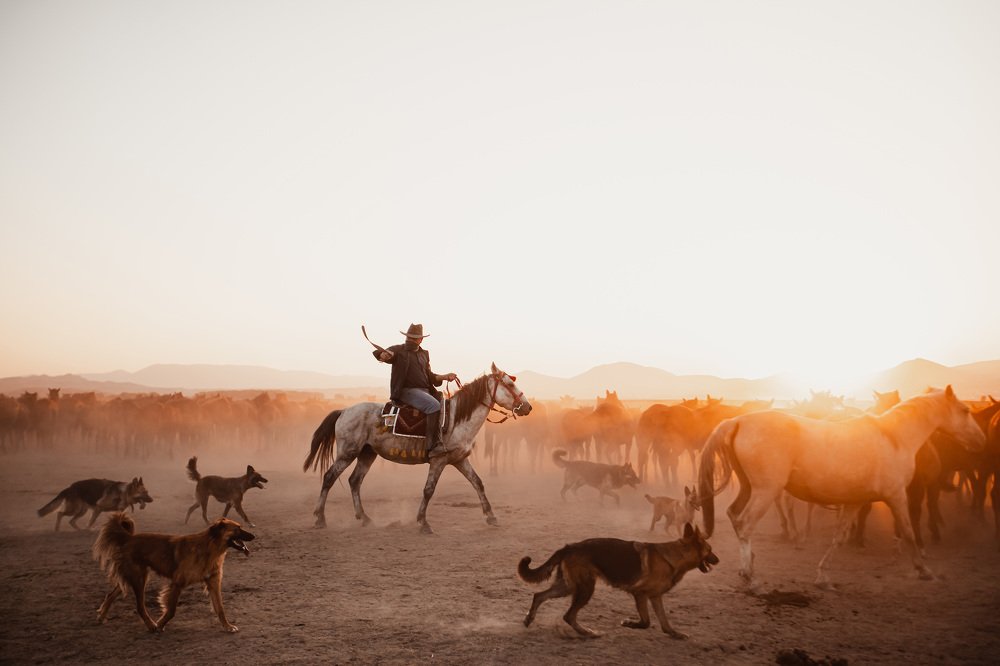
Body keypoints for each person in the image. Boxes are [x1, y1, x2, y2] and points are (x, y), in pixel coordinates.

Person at [373, 323, 457, 453]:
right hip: (406, 391)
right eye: (409, 338)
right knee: (434, 406)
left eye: (414, 338)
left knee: (443, 402)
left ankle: (441, 437)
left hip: (425, 391)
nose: (411, 340)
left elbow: (431, 377)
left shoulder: (424, 354)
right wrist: (383, 356)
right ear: (407, 338)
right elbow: (384, 355)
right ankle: (432, 444)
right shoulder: (397, 350)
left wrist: (446, 376)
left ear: (420, 339)